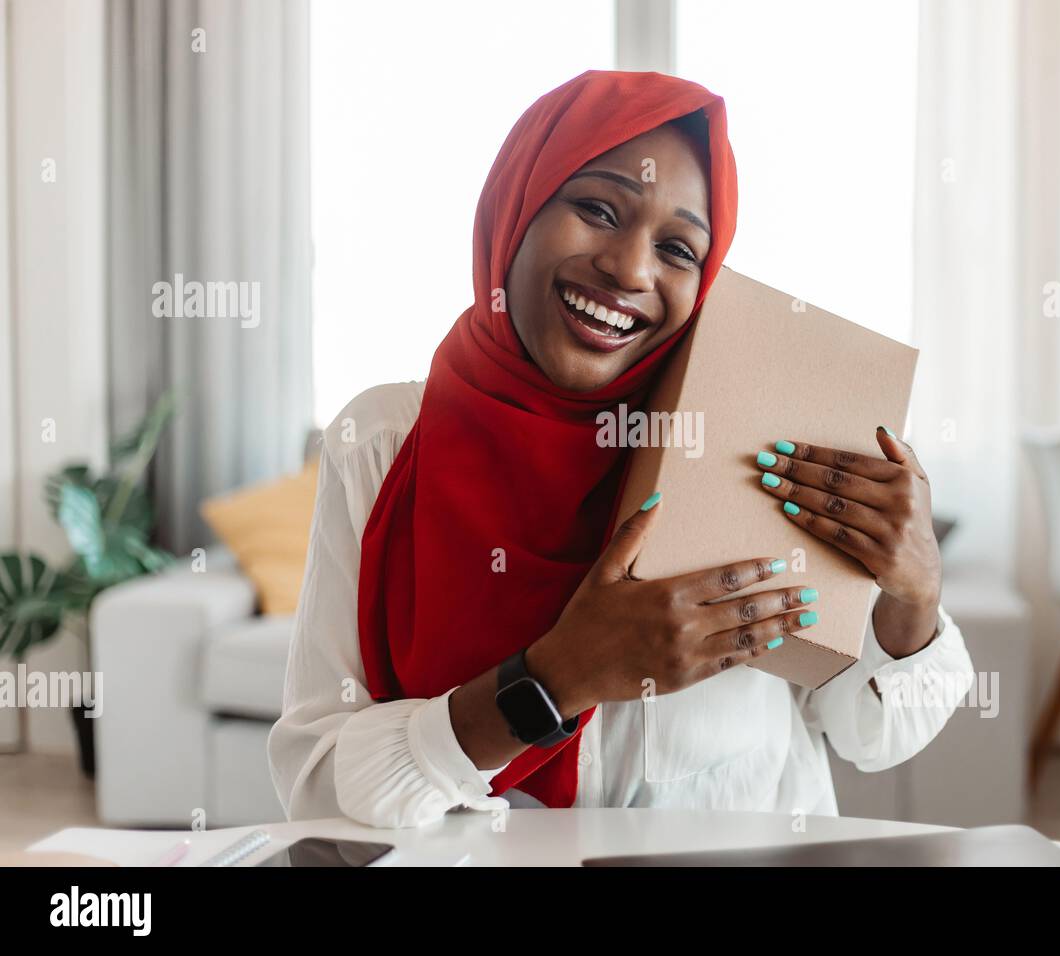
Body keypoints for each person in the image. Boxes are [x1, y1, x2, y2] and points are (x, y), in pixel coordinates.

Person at [269, 70, 974, 827]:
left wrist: (915, 595)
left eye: (678, 249)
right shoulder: (382, 444)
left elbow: (874, 735)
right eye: (598, 209)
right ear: (517, 205)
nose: (631, 269)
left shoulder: (750, 433)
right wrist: (555, 677)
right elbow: (314, 787)